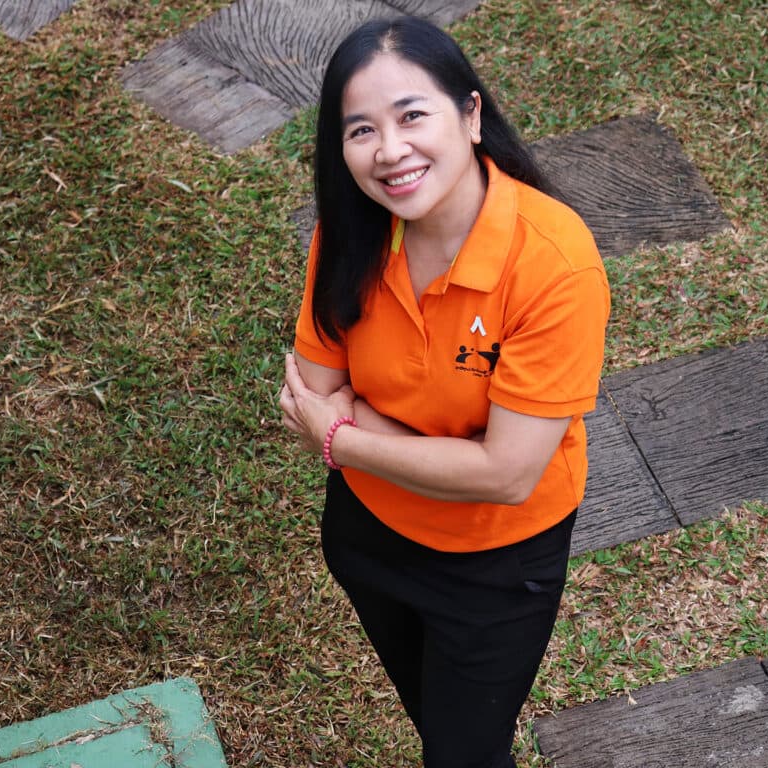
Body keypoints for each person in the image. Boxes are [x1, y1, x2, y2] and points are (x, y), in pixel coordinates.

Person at [278, 15, 610, 768]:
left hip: (493, 565)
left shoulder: (554, 263)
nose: (389, 151)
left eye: (412, 116)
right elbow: (307, 391)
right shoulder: (351, 234)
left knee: (463, 754)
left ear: (470, 113)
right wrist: (416, 447)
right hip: (369, 536)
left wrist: (345, 439)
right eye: (360, 130)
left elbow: (508, 474)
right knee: (437, 723)